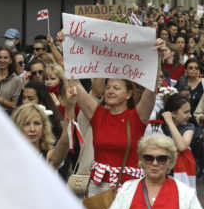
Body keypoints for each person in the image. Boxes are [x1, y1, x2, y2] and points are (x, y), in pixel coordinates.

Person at [71, 39, 166, 196]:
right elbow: (74, 83)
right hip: (98, 189)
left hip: (128, 189)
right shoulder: (98, 114)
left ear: (129, 94)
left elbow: (151, 89)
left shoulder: (137, 117)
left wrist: (157, 58)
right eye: (108, 87)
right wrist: (66, 48)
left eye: (116, 88)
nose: (110, 91)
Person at [11, 85, 75, 169]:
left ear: (44, 127)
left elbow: (65, 141)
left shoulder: (49, 157)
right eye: (26, 124)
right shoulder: (9, 155)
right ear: (18, 126)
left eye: (37, 123)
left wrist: (70, 107)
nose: (32, 129)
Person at [160, 94, 197, 189]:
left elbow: (182, 146)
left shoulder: (189, 126)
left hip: (181, 173)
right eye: (186, 112)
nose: (190, 115)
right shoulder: (159, 125)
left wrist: (170, 122)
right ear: (173, 113)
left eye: (190, 111)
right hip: (161, 170)